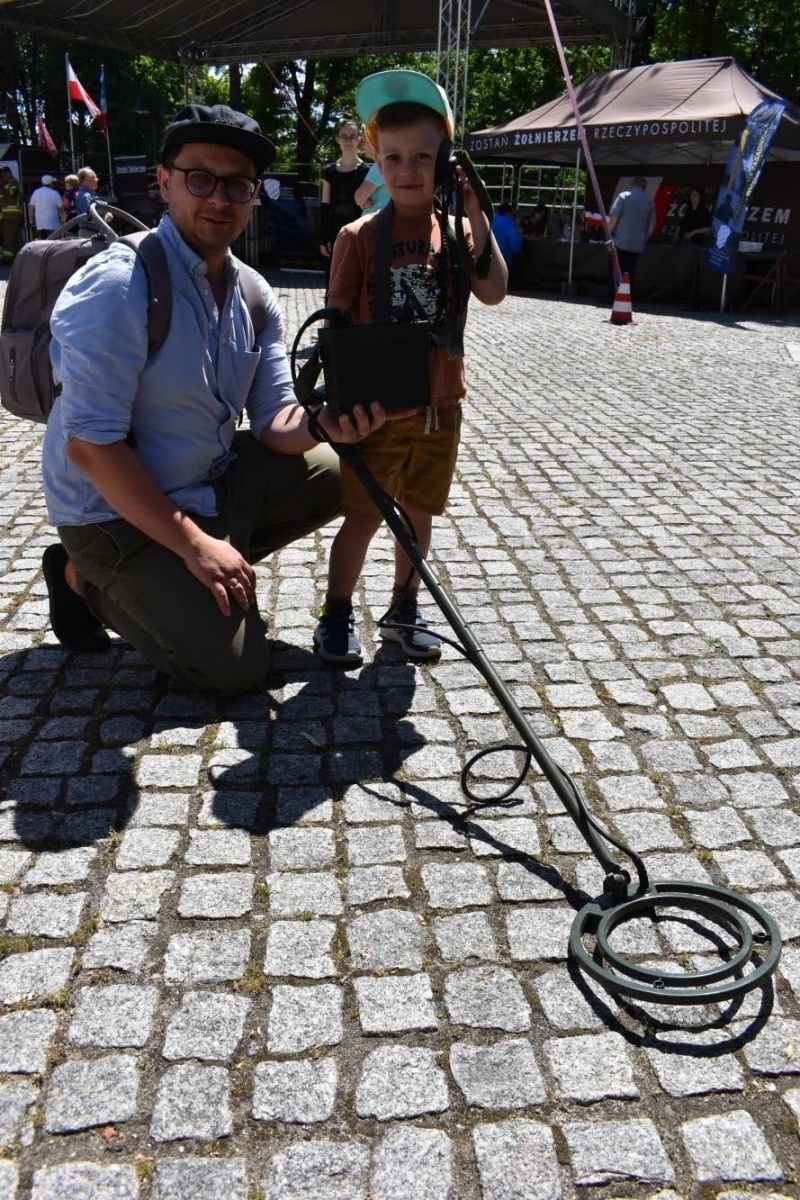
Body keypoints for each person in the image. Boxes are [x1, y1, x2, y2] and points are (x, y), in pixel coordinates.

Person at [40, 103, 391, 696]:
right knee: (235, 670)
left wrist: (327, 422)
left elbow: (278, 420)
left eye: (237, 184)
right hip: (112, 514)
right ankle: (81, 578)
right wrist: (197, 546)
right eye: (200, 178)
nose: (219, 198)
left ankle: (185, 571)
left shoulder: (253, 292)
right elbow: (91, 447)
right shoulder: (120, 284)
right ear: (164, 182)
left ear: (255, 193)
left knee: (346, 471)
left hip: (204, 482)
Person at [312, 69, 507, 667]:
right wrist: (339, 401)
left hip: (440, 404)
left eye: (423, 156)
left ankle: (403, 608)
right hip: (377, 408)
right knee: (363, 517)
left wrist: (478, 216)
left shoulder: (454, 234)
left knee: (419, 512)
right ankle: (337, 614)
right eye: (393, 157)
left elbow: (494, 290)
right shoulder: (357, 236)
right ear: (374, 158)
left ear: (446, 160)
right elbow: (337, 322)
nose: (407, 169)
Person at [318, 121, 368, 284]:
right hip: (335, 231)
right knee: (333, 278)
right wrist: (322, 238)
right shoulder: (329, 171)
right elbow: (325, 205)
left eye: (352, 136)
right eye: (344, 136)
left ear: (359, 139)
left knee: (358, 278)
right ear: (337, 139)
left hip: (359, 231)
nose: (348, 141)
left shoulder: (367, 171)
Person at [608, 175, 655, 287]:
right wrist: (644, 240)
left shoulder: (623, 196)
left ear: (632, 185)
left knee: (614, 269)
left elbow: (613, 218)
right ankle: (627, 296)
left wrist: (608, 236)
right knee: (630, 271)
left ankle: (612, 295)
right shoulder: (650, 202)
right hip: (637, 245)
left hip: (619, 242)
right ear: (644, 188)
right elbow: (651, 226)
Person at [76, 166, 113, 231]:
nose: (97, 179)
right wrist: (105, 217)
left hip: (94, 232)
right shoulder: (84, 196)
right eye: (94, 177)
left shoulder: (91, 195)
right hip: (89, 234)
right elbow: (90, 217)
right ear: (86, 180)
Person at [0, 166, 23, 262]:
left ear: (8, 173)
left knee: (8, 239)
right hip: (7, 217)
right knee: (15, 239)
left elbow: (10, 193)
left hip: (12, 216)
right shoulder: (6, 184)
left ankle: (7, 259)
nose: (2, 176)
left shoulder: (14, 183)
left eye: (3, 174)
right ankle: (20, 259)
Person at [492, 202, 522, 270]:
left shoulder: (490, 218)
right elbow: (516, 246)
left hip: (489, 255)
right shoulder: (509, 222)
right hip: (503, 258)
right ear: (508, 213)